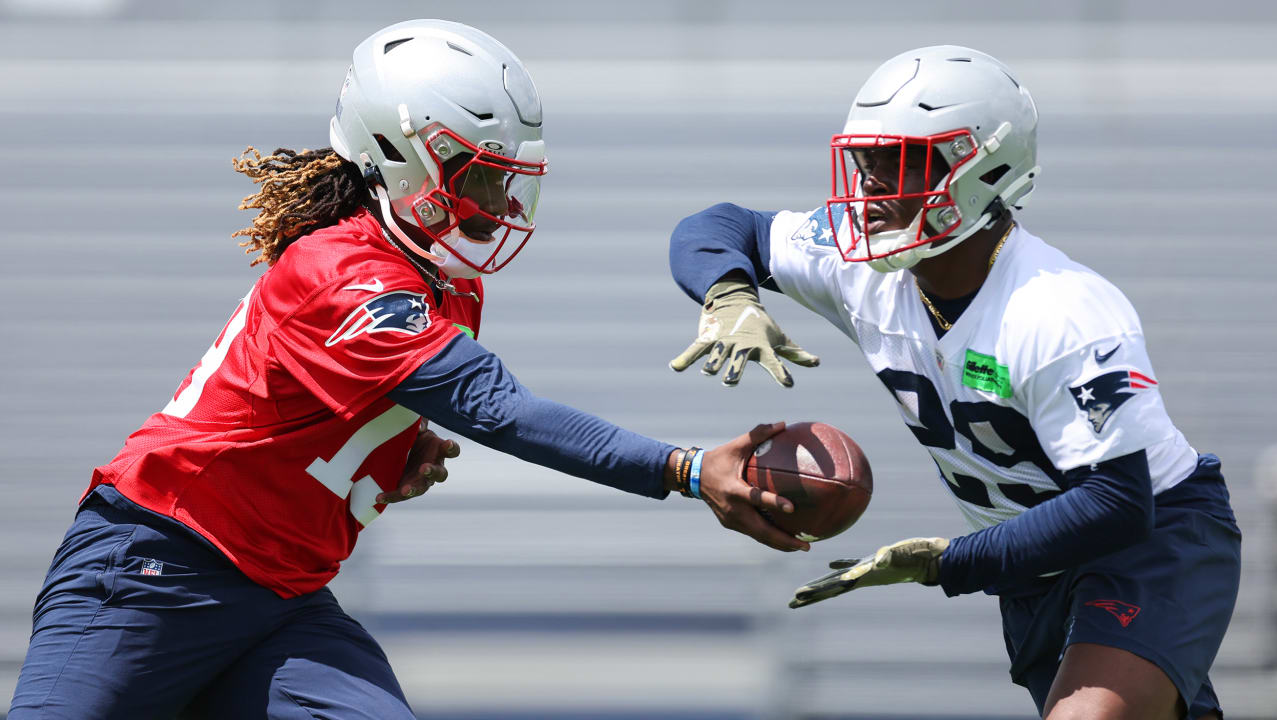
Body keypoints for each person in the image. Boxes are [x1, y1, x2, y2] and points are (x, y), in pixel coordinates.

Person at [9, 19, 809, 720]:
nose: (498, 198)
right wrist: (686, 468)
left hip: (282, 594)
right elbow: (500, 411)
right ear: (396, 156)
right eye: (478, 173)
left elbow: (352, 407)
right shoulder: (344, 271)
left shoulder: (441, 279)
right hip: (161, 566)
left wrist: (391, 449)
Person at [667, 45, 1240, 720]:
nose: (873, 185)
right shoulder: (861, 267)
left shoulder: (1062, 312)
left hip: (1149, 542)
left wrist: (954, 561)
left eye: (901, 160)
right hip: (1029, 562)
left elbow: (1117, 502)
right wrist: (731, 296)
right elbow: (717, 226)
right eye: (867, 159)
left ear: (982, 168)